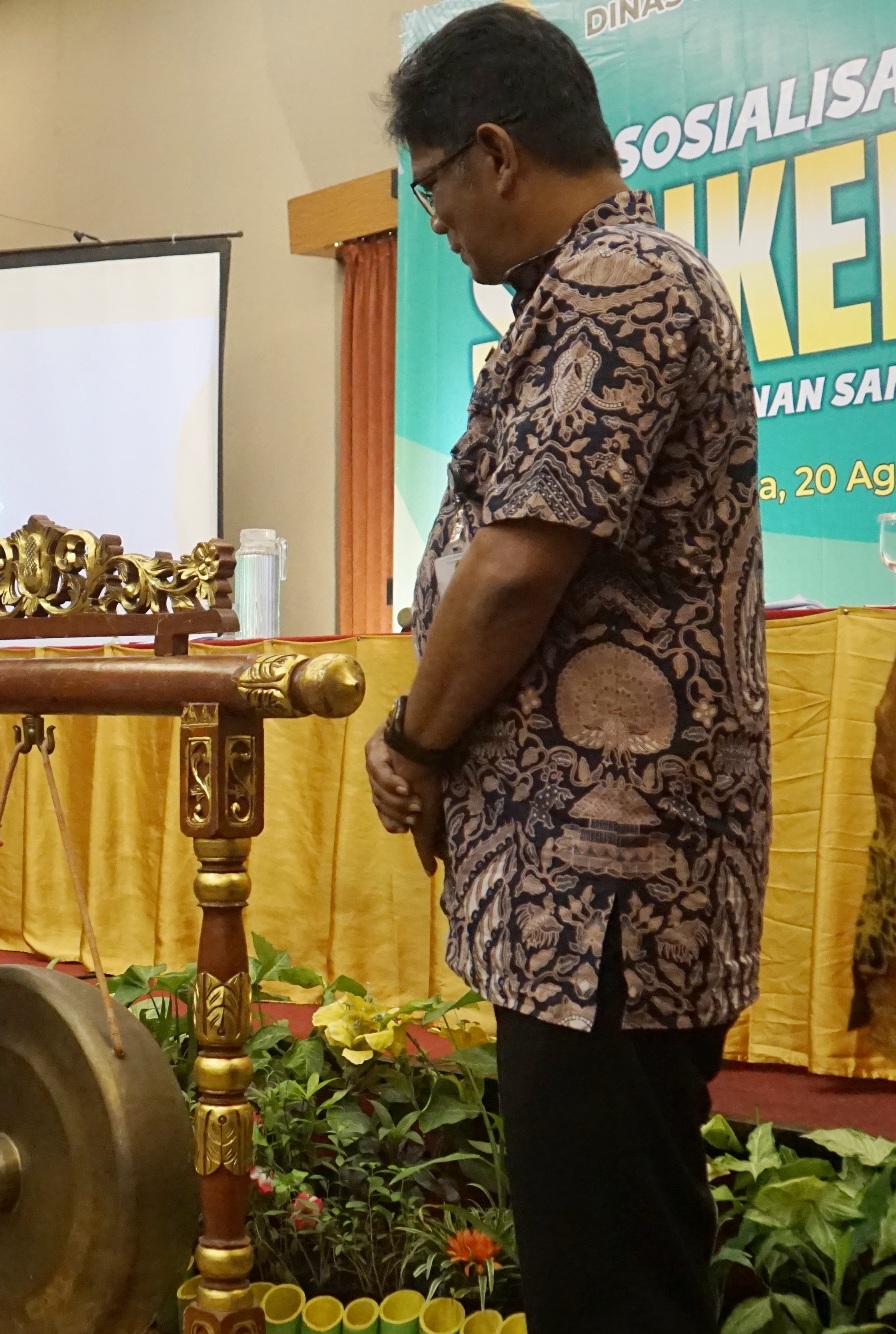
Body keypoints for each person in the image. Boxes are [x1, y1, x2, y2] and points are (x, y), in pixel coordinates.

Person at [364, 9, 767, 1333]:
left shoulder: (615, 286)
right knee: (612, 1249)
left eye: (427, 183)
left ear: (492, 153)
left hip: (608, 906)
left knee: (613, 1283)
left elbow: (517, 569)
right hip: (586, 905)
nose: (431, 219)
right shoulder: (589, 288)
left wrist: (414, 745)